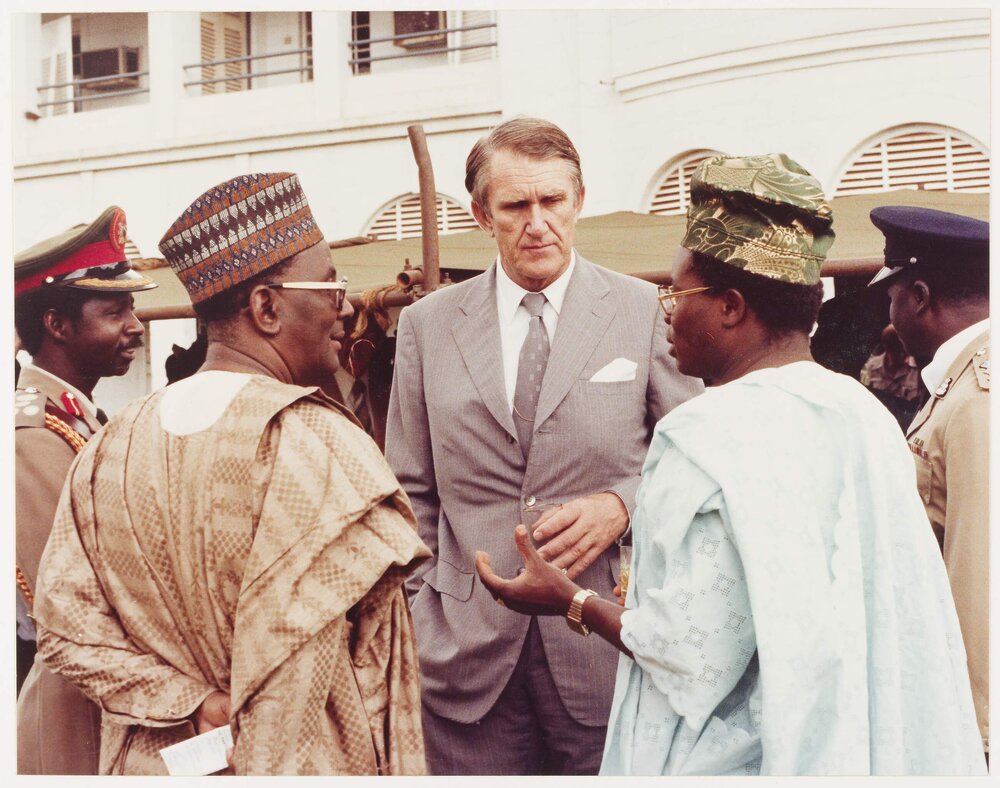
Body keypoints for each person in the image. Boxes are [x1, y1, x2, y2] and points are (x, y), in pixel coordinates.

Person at [477, 153, 985, 775]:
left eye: (677, 291)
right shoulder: (862, 415)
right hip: (859, 748)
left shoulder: (705, 433)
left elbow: (690, 655)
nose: (667, 310)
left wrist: (570, 600)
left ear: (731, 306)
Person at [33, 172, 430, 775]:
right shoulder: (319, 445)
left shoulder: (108, 448)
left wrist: (192, 704)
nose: (345, 305)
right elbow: (374, 675)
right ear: (266, 307)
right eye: (329, 284)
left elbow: (66, 634)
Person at [385, 117, 702, 775]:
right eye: (516, 205)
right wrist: (425, 621)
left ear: (578, 200)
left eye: (552, 201)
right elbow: (407, 491)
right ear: (481, 213)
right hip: (463, 665)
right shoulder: (426, 326)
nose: (538, 222)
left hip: (604, 652)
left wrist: (623, 502)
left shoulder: (643, 310)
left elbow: (696, 461)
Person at [14, 206, 156, 774]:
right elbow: (66, 607)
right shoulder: (30, 434)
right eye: (115, 310)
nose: (136, 325)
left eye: (134, 307)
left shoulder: (77, 419)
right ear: (57, 324)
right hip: (77, 722)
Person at [867, 205, 990, 758]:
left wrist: (976, 729)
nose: (891, 318)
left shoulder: (979, 396)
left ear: (917, 295)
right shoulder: (963, 379)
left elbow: (980, 573)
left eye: (892, 298)